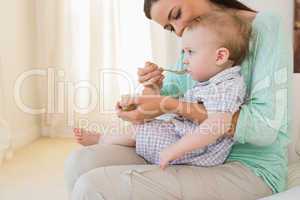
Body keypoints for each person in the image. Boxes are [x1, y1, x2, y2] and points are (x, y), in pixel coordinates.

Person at [65, 1, 291, 199]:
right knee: (80, 162)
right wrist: (150, 90)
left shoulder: (265, 26)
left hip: (248, 166)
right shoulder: (195, 39)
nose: (180, 29)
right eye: (170, 27)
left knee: (92, 187)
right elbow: (163, 103)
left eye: (176, 14)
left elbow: (265, 127)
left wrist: (174, 106)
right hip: (188, 149)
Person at [74, 11, 250, 171]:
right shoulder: (215, 81)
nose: (185, 61)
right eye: (184, 52)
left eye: (190, 52)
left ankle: (102, 139)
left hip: (198, 151)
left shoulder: (227, 86)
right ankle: (107, 138)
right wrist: (153, 86)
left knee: (140, 130)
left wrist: (176, 149)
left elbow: (217, 125)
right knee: (143, 125)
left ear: (220, 56)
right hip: (189, 141)